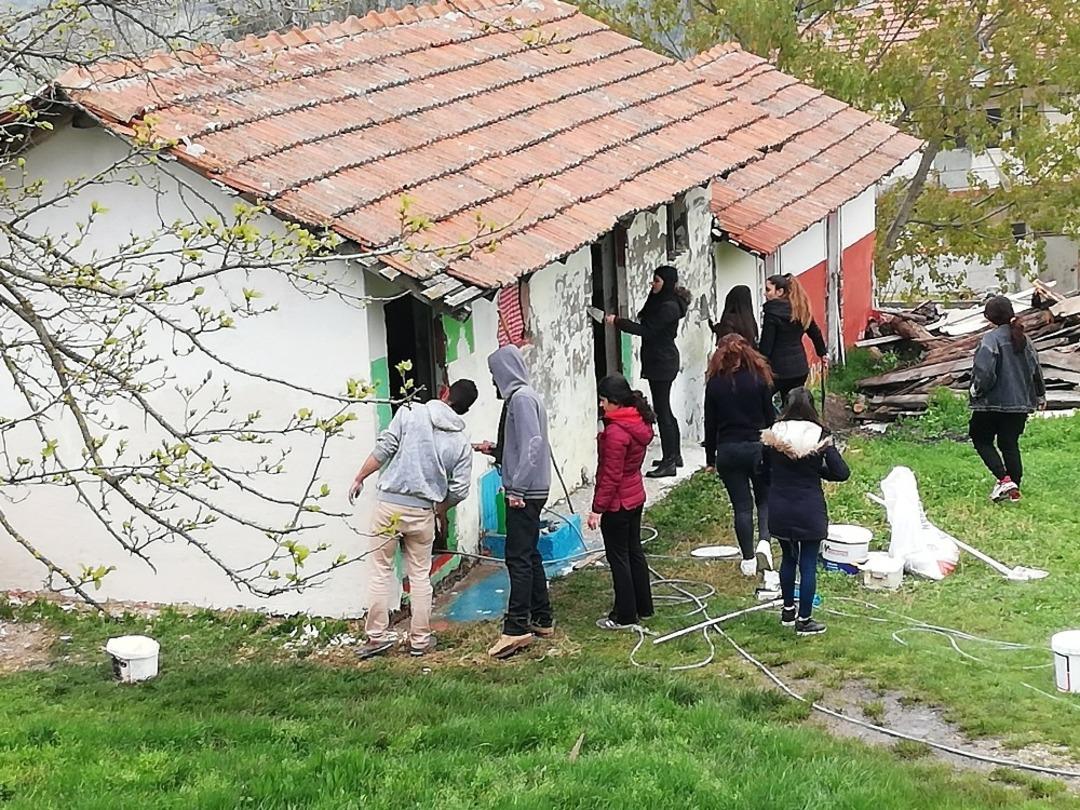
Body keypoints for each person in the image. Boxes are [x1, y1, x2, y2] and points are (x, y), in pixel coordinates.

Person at [348, 379, 478, 660]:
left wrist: (360, 477)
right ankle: (419, 640)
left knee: (381, 571)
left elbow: (385, 448)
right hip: (423, 512)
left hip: (389, 507)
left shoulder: (409, 412)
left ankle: (376, 638)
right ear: (464, 412)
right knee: (420, 575)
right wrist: (440, 509)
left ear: (444, 393)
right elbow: (459, 489)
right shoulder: (461, 444)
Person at [476, 345, 554, 660]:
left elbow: (533, 444)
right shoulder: (524, 397)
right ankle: (542, 617)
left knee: (517, 558)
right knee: (530, 554)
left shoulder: (520, 399)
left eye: (495, 374)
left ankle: (516, 628)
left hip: (526, 492)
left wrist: (517, 489)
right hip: (531, 488)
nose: (493, 381)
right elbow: (522, 444)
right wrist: (496, 449)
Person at [761, 388, 849, 636]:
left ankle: (788, 611)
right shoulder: (819, 435)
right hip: (809, 508)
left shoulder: (774, 434)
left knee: (788, 558)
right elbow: (841, 472)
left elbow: (762, 468)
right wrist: (818, 471)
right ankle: (805, 619)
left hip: (779, 505)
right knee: (808, 564)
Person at [605, 265, 691, 479]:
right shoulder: (662, 301)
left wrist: (617, 322)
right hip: (658, 360)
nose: (653, 284)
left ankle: (670, 461)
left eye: (657, 281)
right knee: (665, 409)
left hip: (662, 361)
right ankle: (674, 455)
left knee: (662, 410)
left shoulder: (669, 306)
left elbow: (647, 330)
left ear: (667, 283)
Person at [587, 374, 656, 630]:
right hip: (635, 495)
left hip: (618, 503)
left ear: (615, 401)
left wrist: (597, 509)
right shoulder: (637, 420)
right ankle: (644, 606)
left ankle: (625, 614)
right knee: (634, 551)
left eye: (604, 401)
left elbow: (610, 475)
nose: (602, 406)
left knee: (619, 558)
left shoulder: (616, 433)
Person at [703, 335, 775, 577]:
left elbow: (710, 424)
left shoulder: (715, 384)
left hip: (728, 449)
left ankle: (747, 560)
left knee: (741, 507)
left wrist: (710, 459)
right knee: (764, 499)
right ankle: (764, 541)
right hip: (757, 445)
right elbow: (769, 418)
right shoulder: (759, 378)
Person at [969, 295, 1046, 502]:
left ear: (989, 317)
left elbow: (985, 373)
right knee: (1009, 443)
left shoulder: (990, 340)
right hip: (1020, 403)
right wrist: (1040, 395)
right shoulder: (1024, 340)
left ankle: (1004, 480)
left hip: (991, 403)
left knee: (980, 438)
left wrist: (976, 390)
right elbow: (1035, 370)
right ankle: (1014, 489)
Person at [760, 274, 828, 405]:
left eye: (768, 290)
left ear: (780, 292)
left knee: (761, 401)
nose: (764, 293)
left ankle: (772, 424)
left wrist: (757, 363)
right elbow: (815, 333)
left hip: (777, 370)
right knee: (794, 407)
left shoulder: (772, 313)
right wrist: (822, 353)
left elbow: (766, 348)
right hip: (799, 368)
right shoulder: (801, 310)